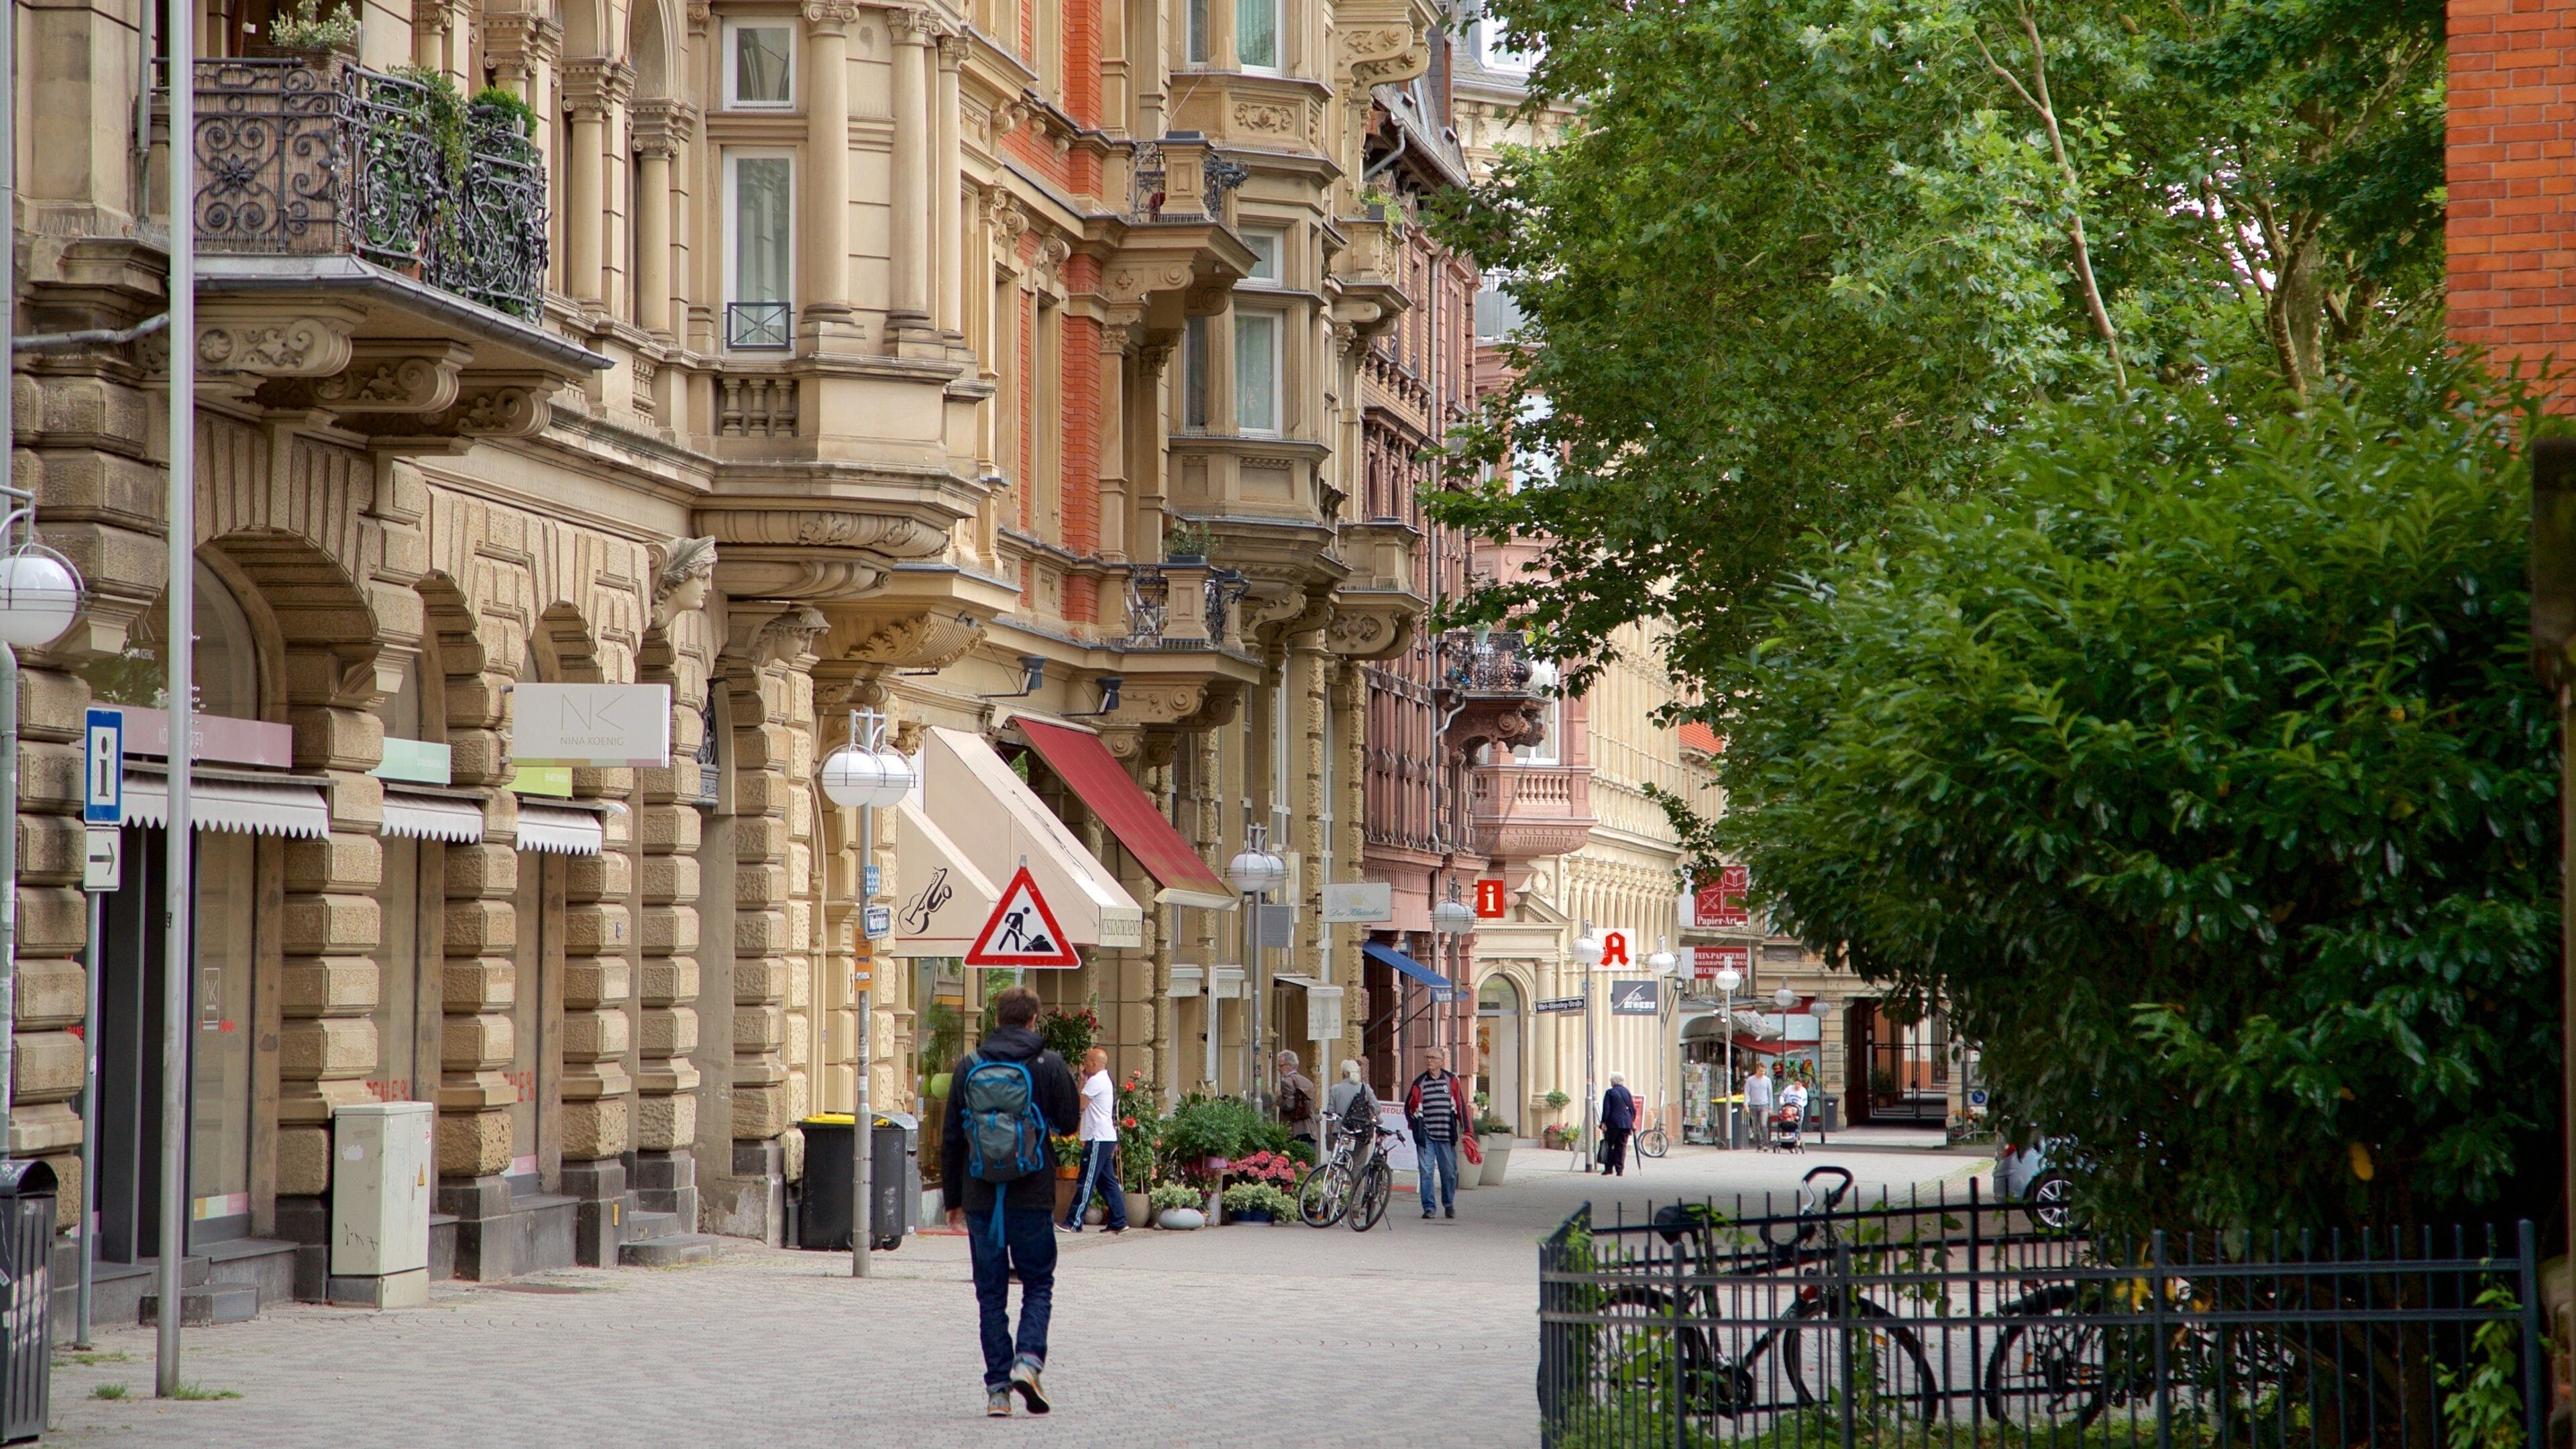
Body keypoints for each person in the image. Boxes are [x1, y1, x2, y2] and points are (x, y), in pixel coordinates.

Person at [942, 986, 1080, 1418]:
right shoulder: (1049, 1064)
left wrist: (954, 1199)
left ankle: (998, 1391)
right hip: (1033, 1193)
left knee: (990, 1294)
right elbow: (1070, 1122)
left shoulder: (970, 1065)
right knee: (1038, 1283)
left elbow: (950, 1139)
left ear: (996, 1019)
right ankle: (1028, 1361)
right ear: (1034, 1019)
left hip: (981, 1194)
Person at [1059, 1047, 1126, 1235]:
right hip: (1104, 1137)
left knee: (1086, 1180)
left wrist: (1082, 1083)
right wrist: (1082, 1080)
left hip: (1097, 1137)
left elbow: (1079, 1105)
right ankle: (1119, 1220)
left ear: (1095, 1064)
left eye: (1087, 1062)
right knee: (1106, 1182)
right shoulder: (1102, 1079)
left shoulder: (1096, 1081)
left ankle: (1073, 1221)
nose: (1084, 1065)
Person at [1403, 1048, 1471, 1220]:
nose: (1429, 1061)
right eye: (1427, 1057)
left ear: (1442, 1061)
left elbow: (1461, 1106)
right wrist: (1415, 1126)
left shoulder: (1451, 1081)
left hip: (1446, 1135)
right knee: (1426, 1172)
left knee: (1449, 1172)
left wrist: (1468, 1131)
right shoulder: (1420, 1082)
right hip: (1426, 1136)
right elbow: (1408, 1107)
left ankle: (1449, 1204)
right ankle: (1429, 1208)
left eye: (1433, 1058)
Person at [1276, 1050, 1320, 1152]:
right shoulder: (1308, 1082)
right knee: (1309, 1165)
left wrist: (1279, 1099)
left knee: (1296, 1165)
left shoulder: (1287, 1082)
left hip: (1294, 1131)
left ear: (1291, 1066)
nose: (1279, 1069)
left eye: (1281, 1066)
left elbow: (1289, 1106)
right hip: (1310, 1130)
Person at [1599, 1071, 1637, 1177]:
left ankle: (1608, 1169)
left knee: (1609, 1145)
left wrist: (1604, 1122)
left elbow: (1606, 1110)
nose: (1610, 1082)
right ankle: (1619, 1170)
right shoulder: (1627, 1092)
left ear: (1614, 1081)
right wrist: (1631, 1121)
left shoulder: (1610, 1092)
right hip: (1626, 1124)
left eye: (1611, 1080)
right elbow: (1633, 1109)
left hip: (1613, 1124)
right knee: (1621, 1147)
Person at [1743, 1063, 1775, 1152]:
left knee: (1764, 1124)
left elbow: (1770, 1094)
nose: (1762, 1073)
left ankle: (1765, 1144)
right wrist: (1746, 1104)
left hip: (1764, 1104)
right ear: (1757, 1069)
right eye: (1761, 1071)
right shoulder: (1750, 1080)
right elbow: (1747, 1093)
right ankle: (1759, 1145)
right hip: (1753, 1105)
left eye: (1764, 1071)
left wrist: (1771, 1107)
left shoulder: (1767, 1080)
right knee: (1756, 1126)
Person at [1778, 1071, 1810, 1146]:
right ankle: (1786, 1138)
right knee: (1786, 1122)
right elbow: (1783, 1096)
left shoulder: (1803, 1091)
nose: (1797, 1085)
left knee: (1797, 1125)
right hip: (1789, 1108)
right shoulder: (1789, 1088)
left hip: (1798, 1110)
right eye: (1796, 1084)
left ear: (1801, 1084)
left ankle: (1796, 1139)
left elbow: (1805, 1102)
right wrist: (1782, 1102)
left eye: (1799, 1084)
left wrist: (1800, 1104)